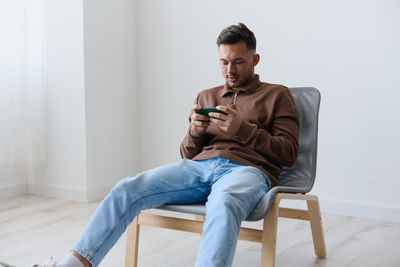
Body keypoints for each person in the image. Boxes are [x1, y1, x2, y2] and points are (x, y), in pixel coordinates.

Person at [37, 22, 299, 267]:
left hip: (247, 171)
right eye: (224, 62)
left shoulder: (277, 94)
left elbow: (288, 154)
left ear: (254, 60)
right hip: (199, 168)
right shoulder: (206, 95)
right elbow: (187, 154)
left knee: (224, 202)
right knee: (127, 188)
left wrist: (242, 129)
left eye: (238, 62)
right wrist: (195, 132)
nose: (230, 70)